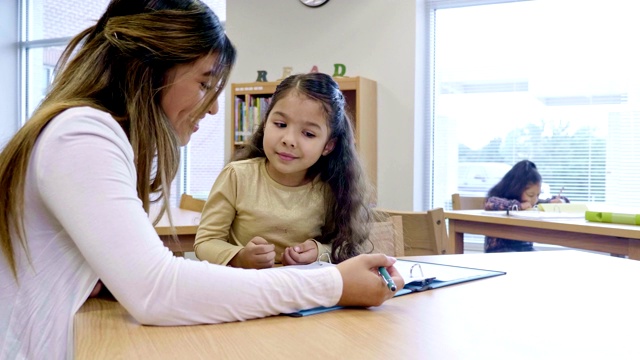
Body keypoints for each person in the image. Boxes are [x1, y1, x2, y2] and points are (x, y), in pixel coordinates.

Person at [0, 1, 404, 358]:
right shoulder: (83, 134)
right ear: (150, 68)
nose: (212, 110)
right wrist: (331, 284)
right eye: (205, 84)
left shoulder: (83, 131)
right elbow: (157, 290)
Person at [194, 73, 376, 269]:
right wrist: (240, 257)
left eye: (308, 134)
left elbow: (347, 248)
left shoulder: (331, 186)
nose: (289, 139)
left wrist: (319, 252)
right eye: (280, 124)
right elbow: (206, 242)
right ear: (265, 123)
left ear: (328, 146)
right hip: (246, 288)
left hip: (305, 291)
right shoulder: (237, 176)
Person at [483, 160, 569, 252]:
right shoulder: (499, 200)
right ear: (516, 189)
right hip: (500, 251)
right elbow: (491, 202)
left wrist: (557, 202)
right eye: (530, 195)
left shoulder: (531, 204)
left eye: (537, 195)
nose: (534, 200)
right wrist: (519, 206)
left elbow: (544, 202)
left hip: (525, 249)